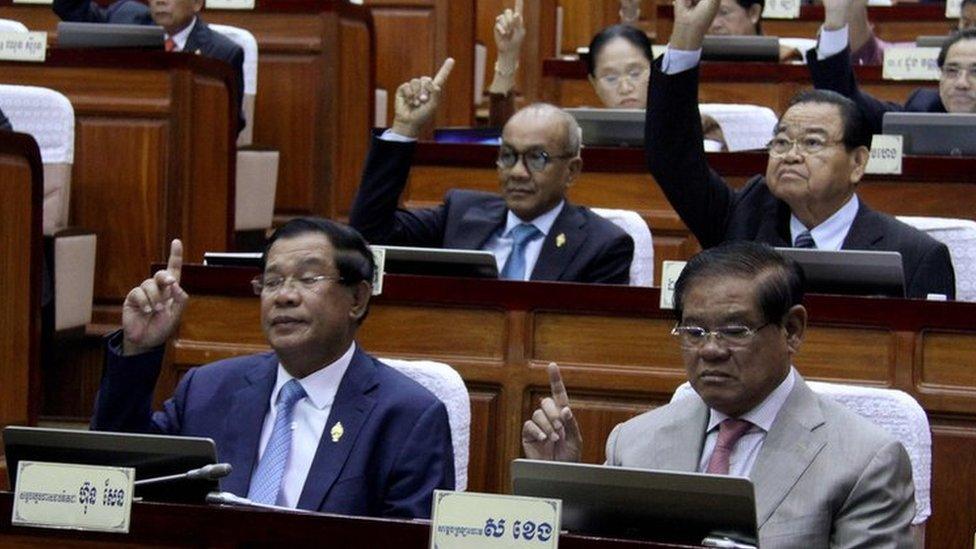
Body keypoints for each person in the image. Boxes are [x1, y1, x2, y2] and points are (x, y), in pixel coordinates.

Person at [522, 241, 916, 547]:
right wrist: (562, 485)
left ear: (792, 330)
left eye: (735, 331)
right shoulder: (634, 442)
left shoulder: (864, 461)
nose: (710, 349)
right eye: (694, 331)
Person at [91, 218, 454, 517]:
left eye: (309, 279)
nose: (284, 295)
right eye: (273, 281)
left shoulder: (407, 417)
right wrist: (138, 348)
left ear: (357, 299)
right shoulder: (208, 389)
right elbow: (119, 476)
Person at [645, 0, 955, 299]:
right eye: (781, 142)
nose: (791, 155)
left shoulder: (915, 255)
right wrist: (686, 35)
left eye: (812, 142)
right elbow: (673, 157)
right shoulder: (743, 219)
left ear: (858, 162)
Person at [349, 60, 635, 285]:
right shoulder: (461, 213)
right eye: (508, 156)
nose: (518, 173)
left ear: (571, 171)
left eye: (538, 158)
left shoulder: (603, 244)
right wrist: (405, 128)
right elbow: (369, 233)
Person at [53, 0, 245, 133]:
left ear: (197, 3)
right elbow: (70, 7)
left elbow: (230, 125)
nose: (160, 1)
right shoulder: (124, 18)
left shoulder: (222, 53)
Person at [808, 0, 976, 134]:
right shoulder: (923, 109)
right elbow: (844, 100)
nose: (961, 83)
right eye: (952, 71)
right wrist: (834, 22)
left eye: (975, 72)